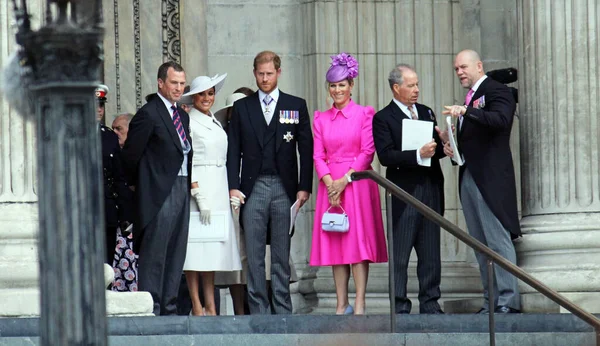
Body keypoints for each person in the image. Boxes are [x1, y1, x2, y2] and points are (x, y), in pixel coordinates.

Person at [227, 50, 313, 314]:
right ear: (254, 73)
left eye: (269, 74)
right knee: (253, 255)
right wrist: (233, 185)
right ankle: (258, 313)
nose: (264, 79)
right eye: (260, 74)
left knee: (280, 253)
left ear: (279, 72)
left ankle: (283, 311)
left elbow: (306, 148)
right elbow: (233, 150)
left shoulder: (295, 104)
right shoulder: (243, 107)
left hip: (284, 188)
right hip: (252, 189)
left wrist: (304, 186)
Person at [441, 49, 521, 314]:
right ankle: (491, 302)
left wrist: (466, 111)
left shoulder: (497, 90)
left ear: (478, 65)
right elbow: (473, 140)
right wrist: (451, 146)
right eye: (456, 69)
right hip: (469, 175)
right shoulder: (471, 97)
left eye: (463, 67)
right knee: (480, 244)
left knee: (497, 240)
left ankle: (508, 301)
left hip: (491, 178)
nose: (459, 72)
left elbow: (501, 121)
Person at [309, 53, 388, 315]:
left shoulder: (365, 114)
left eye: (342, 84)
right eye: (333, 85)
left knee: (358, 244)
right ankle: (341, 303)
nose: (337, 90)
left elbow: (367, 151)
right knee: (337, 244)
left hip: (357, 183)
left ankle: (361, 302)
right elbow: (317, 155)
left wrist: (345, 180)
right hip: (329, 183)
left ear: (351, 85)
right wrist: (330, 182)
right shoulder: (320, 118)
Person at [372, 64, 446, 314]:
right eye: (410, 85)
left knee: (430, 252)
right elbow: (385, 156)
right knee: (401, 253)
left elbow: (433, 152)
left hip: (430, 187)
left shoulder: (426, 112)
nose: (416, 90)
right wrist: (417, 153)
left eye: (417, 84)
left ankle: (430, 302)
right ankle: (400, 307)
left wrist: (444, 148)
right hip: (403, 191)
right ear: (396, 87)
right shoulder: (383, 118)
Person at [121, 61, 192, 316]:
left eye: (182, 84)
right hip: (159, 191)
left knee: (176, 251)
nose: (178, 88)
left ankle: (170, 309)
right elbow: (130, 156)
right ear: (161, 82)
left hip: (182, 187)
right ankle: (152, 308)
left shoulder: (182, 115)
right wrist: (141, 187)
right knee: (155, 254)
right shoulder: (148, 113)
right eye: (174, 83)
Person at [180, 73, 242, 316]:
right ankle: (197, 305)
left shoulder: (215, 120)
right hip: (201, 187)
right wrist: (196, 191)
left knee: (212, 249)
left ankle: (211, 305)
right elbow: (188, 157)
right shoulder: (189, 121)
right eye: (201, 94)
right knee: (195, 250)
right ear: (193, 97)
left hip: (217, 184)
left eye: (210, 93)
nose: (207, 98)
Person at [95, 85, 133, 267]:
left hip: (107, 208)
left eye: (101, 105)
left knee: (106, 262)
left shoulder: (109, 137)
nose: (98, 109)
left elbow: (119, 177)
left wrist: (125, 213)